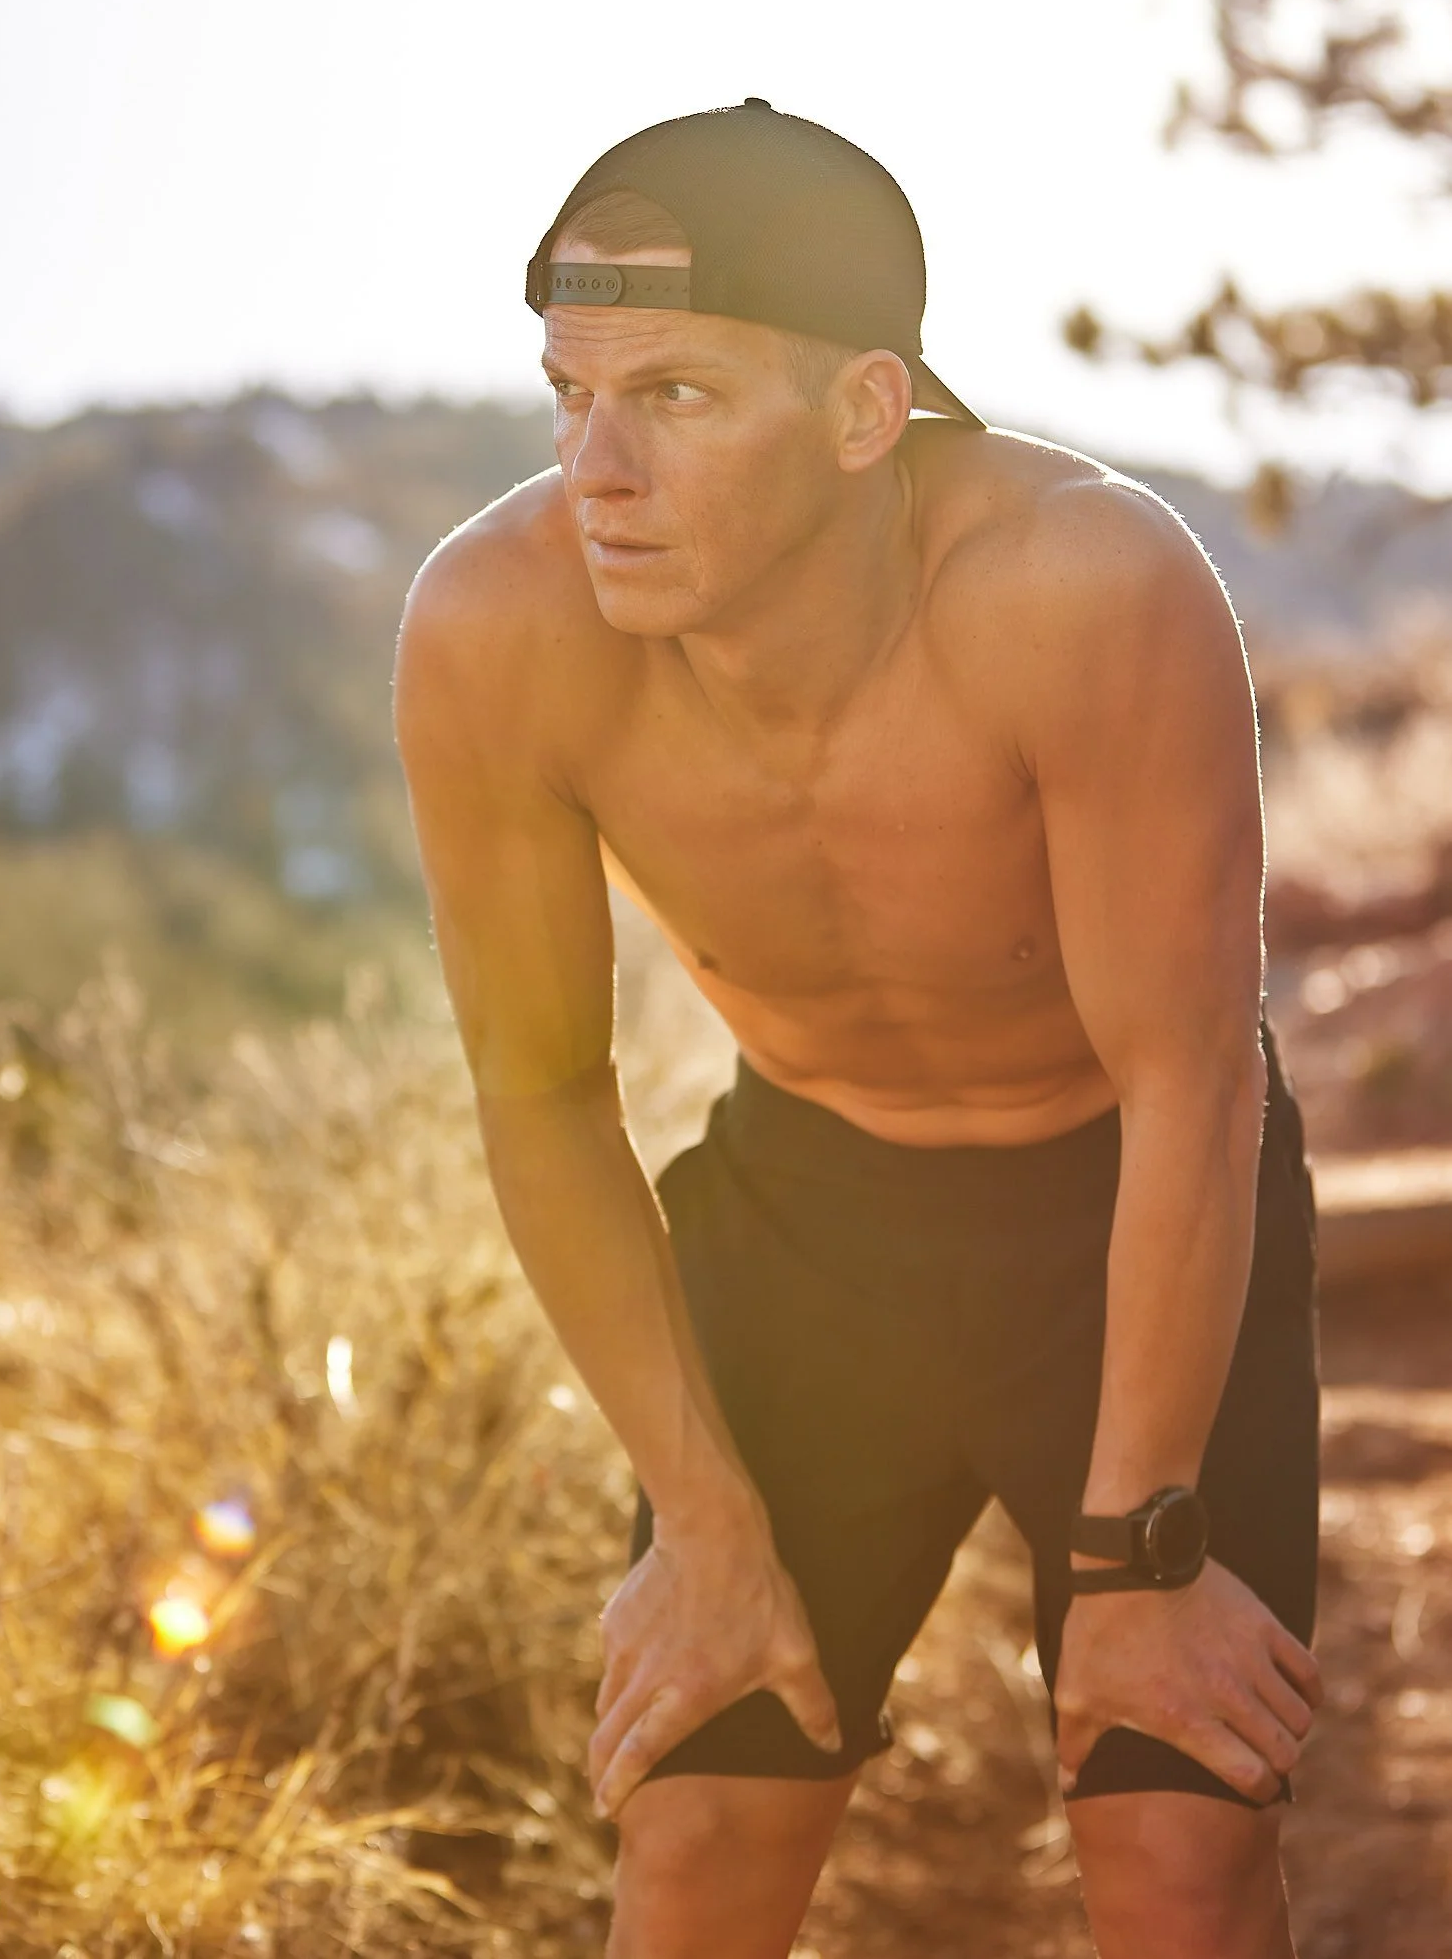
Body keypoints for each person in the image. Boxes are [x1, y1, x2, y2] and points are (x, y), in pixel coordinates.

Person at [394, 99, 1322, 1959]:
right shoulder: (496, 629)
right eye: (566, 394)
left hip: (1119, 1209)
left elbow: (1188, 1081)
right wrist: (700, 1520)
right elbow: (542, 1090)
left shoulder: (1084, 588)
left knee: (1174, 1842)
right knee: (698, 1822)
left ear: (861, 414)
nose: (596, 468)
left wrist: (1141, 1548)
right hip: (814, 1223)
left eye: (673, 397)